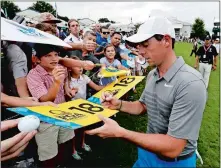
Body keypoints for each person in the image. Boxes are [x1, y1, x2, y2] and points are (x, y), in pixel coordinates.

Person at [86, 16, 207, 168]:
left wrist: (122, 133)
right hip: (147, 152)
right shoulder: (153, 73)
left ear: (166, 41)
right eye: (139, 46)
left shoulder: (191, 84)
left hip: (174, 162)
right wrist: (118, 104)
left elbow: (174, 147)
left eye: (145, 45)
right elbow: (143, 106)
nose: (140, 52)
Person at [26, 43, 75, 168]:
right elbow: (45, 99)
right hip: (46, 119)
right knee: (49, 154)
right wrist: (57, 82)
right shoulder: (33, 75)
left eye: (56, 55)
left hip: (63, 113)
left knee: (67, 143)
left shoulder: (60, 68)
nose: (54, 58)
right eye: (48, 55)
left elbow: (66, 82)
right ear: (37, 59)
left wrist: (67, 89)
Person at [67, 56, 104, 160]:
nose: (80, 68)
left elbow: (97, 88)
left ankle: (82, 144)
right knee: (74, 130)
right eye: (77, 66)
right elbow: (67, 96)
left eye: (81, 66)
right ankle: (73, 150)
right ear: (70, 68)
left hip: (83, 107)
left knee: (83, 127)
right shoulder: (67, 81)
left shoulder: (85, 78)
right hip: (72, 108)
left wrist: (111, 85)